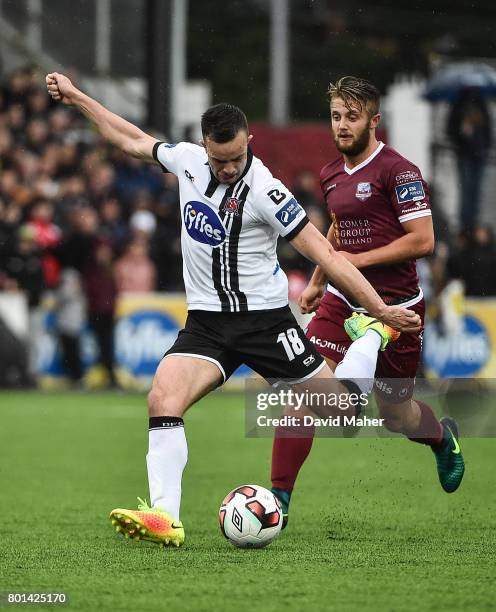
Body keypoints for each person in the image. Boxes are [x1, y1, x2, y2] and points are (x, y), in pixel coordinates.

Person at [46, 72, 421, 547]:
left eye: (237, 158)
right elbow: (131, 139)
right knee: (163, 398)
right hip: (206, 323)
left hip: (265, 323)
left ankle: (370, 335)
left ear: (251, 143)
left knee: (343, 411)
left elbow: (326, 257)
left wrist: (382, 313)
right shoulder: (185, 161)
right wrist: (78, 97)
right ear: (204, 147)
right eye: (219, 160)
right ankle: (166, 517)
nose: (228, 168)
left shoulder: (268, 191)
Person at [270, 76, 465, 528]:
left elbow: (423, 240)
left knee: (396, 417)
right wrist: (321, 277)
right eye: (336, 116)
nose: (342, 125)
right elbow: (337, 228)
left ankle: (442, 439)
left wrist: (356, 260)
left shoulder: (400, 172)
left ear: (374, 121)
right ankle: (278, 501)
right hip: (342, 302)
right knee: (304, 393)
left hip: (398, 308)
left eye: (352, 117)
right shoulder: (330, 174)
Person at [447, 86, 492, 232]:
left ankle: (472, 223)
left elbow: (488, 131)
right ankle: (466, 224)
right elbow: (451, 130)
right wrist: (462, 134)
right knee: (467, 190)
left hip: (477, 154)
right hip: (466, 154)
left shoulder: (480, 104)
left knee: (474, 190)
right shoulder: (459, 105)